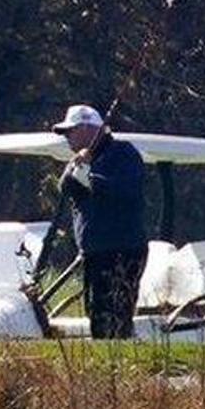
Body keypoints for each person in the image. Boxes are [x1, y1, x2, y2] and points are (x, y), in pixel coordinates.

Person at [51, 104, 147, 339]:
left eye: (70, 131)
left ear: (87, 129)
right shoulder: (82, 159)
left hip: (122, 251)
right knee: (96, 312)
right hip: (95, 253)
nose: (67, 138)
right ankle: (105, 366)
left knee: (114, 314)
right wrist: (77, 166)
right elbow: (66, 187)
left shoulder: (123, 154)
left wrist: (90, 177)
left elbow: (125, 191)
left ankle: (118, 367)